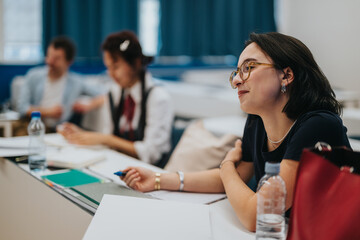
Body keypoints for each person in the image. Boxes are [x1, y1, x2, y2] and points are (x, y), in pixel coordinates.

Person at [118, 32, 351, 231]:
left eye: (249, 67)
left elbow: (256, 216)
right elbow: (232, 180)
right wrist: (157, 180)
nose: (237, 80)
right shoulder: (258, 121)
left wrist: (227, 167)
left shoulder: (319, 125)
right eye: (237, 72)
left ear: (287, 75)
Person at [59, 31, 174, 167]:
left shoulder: (158, 97)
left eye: (116, 67)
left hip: (150, 172)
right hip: (120, 165)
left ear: (136, 63)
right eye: (108, 68)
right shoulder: (115, 92)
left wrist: (105, 139)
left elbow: (151, 153)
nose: (111, 74)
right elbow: (109, 137)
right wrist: (82, 135)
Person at [17, 36, 106, 131]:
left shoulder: (76, 82)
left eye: (56, 59)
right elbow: (22, 108)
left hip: (58, 130)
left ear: (69, 62)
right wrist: (48, 112)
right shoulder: (33, 76)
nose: (50, 61)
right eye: (48, 56)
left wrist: (89, 105)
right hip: (32, 127)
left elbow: (105, 94)